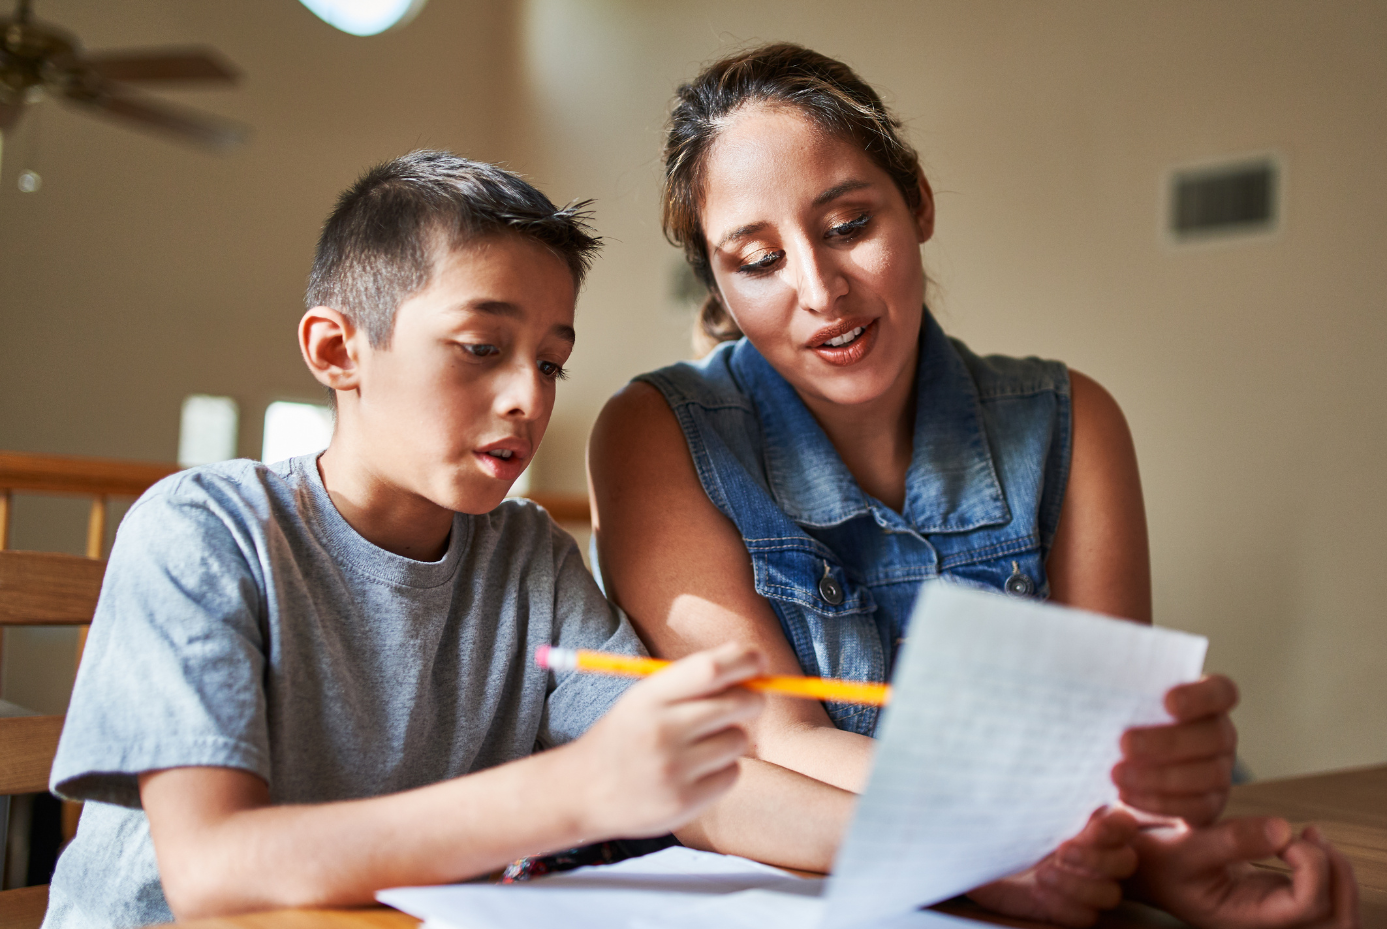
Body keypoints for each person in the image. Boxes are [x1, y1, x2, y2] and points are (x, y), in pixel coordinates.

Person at [588, 44, 1357, 927]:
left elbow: (1113, 753)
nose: (820, 288)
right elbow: (770, 740)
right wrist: (1020, 836)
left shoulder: (1072, 419)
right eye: (757, 261)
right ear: (718, 276)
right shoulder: (657, 433)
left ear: (916, 200)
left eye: (845, 227)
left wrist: (1158, 836)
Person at [41, 151, 767, 929]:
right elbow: (213, 871)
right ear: (336, 351)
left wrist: (907, 834)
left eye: (551, 362)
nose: (529, 396)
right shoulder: (203, 530)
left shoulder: (530, 558)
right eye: (482, 347)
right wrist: (571, 791)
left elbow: (709, 786)